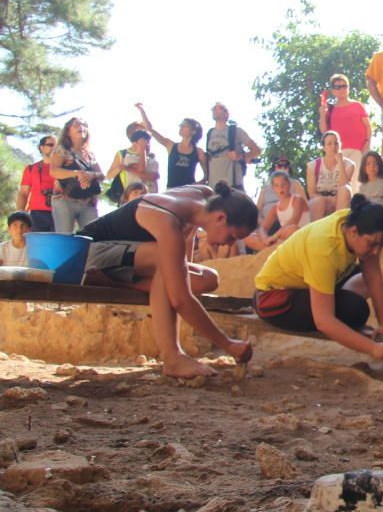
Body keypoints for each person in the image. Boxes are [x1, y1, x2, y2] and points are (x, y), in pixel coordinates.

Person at [81, 182, 257, 378]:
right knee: (165, 260)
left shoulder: (208, 198)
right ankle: (172, 358)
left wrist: (179, 281)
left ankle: (117, 282)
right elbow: (180, 299)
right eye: (232, 236)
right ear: (221, 217)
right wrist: (228, 345)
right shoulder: (167, 220)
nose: (229, 243)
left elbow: (185, 254)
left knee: (207, 278)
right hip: (88, 253)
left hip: (128, 256)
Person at [253, 194, 383, 363]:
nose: (376, 251)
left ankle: (340, 307)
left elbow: (373, 276)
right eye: (373, 244)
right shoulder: (324, 249)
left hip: (304, 286)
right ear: (354, 232)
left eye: (382, 245)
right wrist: (373, 348)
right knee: (354, 310)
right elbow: (323, 321)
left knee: (365, 279)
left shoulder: (354, 220)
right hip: (273, 300)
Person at [48, 117, 103, 233]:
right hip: (65, 200)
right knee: (64, 236)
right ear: (68, 131)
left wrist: (91, 175)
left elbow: (101, 175)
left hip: (88, 202)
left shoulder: (90, 154)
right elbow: (54, 171)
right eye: (77, 125)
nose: (81, 127)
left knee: (93, 237)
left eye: (84, 125)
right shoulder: (62, 150)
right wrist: (76, 173)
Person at [318, 73, 371, 192]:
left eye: (344, 86)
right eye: (338, 87)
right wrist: (322, 114)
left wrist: (367, 142)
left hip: (358, 149)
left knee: (357, 181)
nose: (342, 89)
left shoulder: (357, 105)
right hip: (339, 152)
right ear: (333, 90)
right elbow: (324, 132)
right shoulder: (330, 109)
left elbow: (368, 126)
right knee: (341, 183)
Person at [135, 103, 207, 189]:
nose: (181, 127)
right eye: (181, 125)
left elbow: (207, 175)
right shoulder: (171, 145)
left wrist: (201, 182)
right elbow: (150, 129)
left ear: (193, 131)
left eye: (184, 126)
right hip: (171, 190)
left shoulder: (199, 152)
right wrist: (141, 110)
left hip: (189, 191)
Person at [245, 170, 309, 252]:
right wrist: (265, 239)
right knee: (249, 238)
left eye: (283, 185)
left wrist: (274, 237)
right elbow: (262, 228)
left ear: (289, 184)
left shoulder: (297, 200)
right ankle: (275, 248)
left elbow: (294, 220)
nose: (281, 188)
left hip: (300, 234)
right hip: (283, 238)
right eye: (277, 186)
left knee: (291, 229)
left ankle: (276, 248)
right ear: (273, 188)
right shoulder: (275, 208)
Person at [205, 102, 261, 191]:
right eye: (214, 109)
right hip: (213, 188)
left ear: (226, 114)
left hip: (233, 187)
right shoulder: (209, 133)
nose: (215, 110)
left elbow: (257, 150)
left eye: (219, 108)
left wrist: (240, 156)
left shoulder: (236, 131)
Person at [306, 131, 355, 221]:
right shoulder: (312, 166)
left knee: (345, 189)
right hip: (321, 201)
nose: (333, 147)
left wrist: (340, 162)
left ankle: (339, 225)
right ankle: (316, 231)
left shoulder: (349, 165)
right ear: (323, 148)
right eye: (329, 144)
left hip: (340, 201)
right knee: (318, 201)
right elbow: (311, 193)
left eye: (336, 143)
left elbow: (343, 185)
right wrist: (329, 200)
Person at [17, 135, 58, 232]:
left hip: (60, 213)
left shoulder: (64, 169)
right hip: (36, 215)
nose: (54, 148)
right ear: (41, 148)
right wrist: (21, 215)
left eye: (57, 146)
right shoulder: (31, 169)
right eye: (51, 145)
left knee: (58, 245)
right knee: (37, 245)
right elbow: (23, 193)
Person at [105, 126, 160, 195]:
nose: (147, 145)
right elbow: (141, 168)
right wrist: (121, 168)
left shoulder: (152, 160)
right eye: (143, 142)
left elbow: (154, 177)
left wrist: (129, 169)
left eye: (148, 142)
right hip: (132, 196)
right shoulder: (127, 157)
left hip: (150, 196)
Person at [255, 158, 307, 229]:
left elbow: (305, 204)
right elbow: (257, 210)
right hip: (267, 224)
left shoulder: (295, 184)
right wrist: (262, 223)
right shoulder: (265, 187)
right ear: (275, 168)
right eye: (279, 166)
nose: (282, 168)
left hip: (290, 223)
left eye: (285, 166)